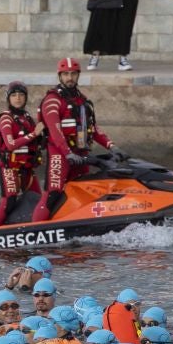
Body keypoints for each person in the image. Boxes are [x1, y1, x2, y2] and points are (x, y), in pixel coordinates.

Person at [36, 58, 109, 222]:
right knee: (52, 192)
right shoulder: (52, 100)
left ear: (78, 75)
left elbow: (93, 128)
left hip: (80, 154)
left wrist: (112, 147)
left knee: (83, 189)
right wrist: (67, 153)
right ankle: (34, 228)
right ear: (60, 76)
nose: (70, 77)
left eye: (73, 74)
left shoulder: (82, 101)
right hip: (60, 154)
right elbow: (55, 131)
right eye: (66, 74)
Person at [0, 82, 40, 226]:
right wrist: (34, 134)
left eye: (21, 95)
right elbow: (10, 144)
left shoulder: (27, 118)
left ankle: (37, 227)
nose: (18, 98)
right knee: (9, 200)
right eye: (14, 95)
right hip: (10, 168)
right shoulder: (6, 118)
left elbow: (38, 141)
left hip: (27, 168)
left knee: (38, 199)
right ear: (8, 98)